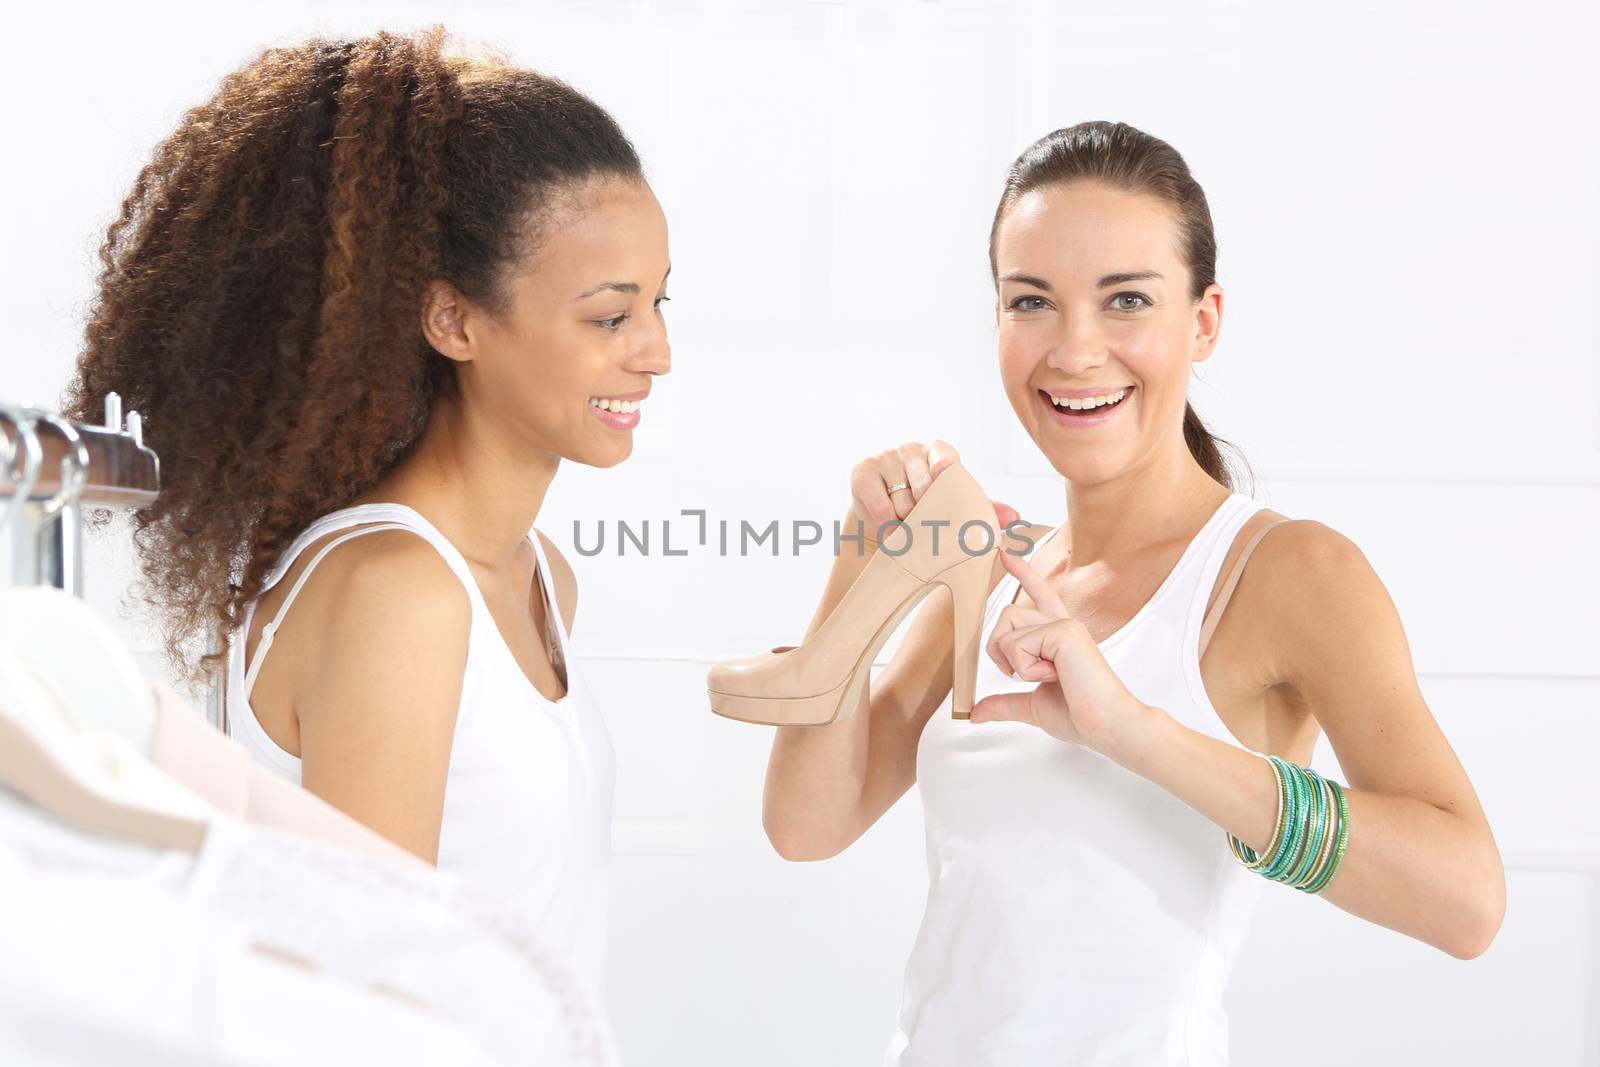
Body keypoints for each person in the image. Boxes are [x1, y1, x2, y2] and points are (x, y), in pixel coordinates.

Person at [759, 120, 1504, 1065]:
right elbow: (806, 825)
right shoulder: (993, 566)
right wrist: (860, 564)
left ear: (1203, 322)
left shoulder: (1286, 574)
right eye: (1031, 300)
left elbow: (1468, 900)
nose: (1074, 350)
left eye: (1126, 301)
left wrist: (1132, 730)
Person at [65, 25, 671, 1008]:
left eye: (658, 301)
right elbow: (367, 1009)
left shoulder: (536, 578)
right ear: (453, 320)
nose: (657, 351)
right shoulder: (399, 595)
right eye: (611, 315)